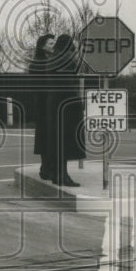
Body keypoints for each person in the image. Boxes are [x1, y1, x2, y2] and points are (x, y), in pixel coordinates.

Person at [49, 33, 86, 187]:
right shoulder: (65, 60)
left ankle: (58, 175)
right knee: (66, 142)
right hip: (67, 105)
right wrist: (78, 101)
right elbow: (68, 83)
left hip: (54, 104)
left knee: (59, 143)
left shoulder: (53, 59)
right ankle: (63, 176)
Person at [28, 34, 56, 180]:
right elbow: (39, 87)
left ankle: (47, 167)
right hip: (43, 105)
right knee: (45, 136)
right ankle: (46, 168)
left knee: (48, 136)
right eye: (51, 43)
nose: (54, 46)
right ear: (43, 46)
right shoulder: (38, 63)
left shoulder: (47, 61)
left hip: (47, 104)